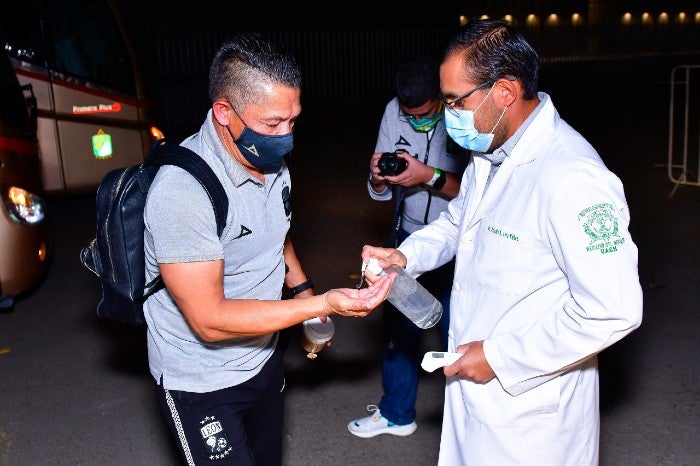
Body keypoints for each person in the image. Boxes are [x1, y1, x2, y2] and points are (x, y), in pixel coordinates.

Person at [360, 19, 643, 465]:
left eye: (455, 101)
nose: (449, 112)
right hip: (476, 389)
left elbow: (614, 308)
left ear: (505, 92)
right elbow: (458, 223)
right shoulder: (490, 153)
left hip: (532, 415)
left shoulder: (572, 176)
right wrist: (405, 255)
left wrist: (500, 357)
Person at [143, 33, 393, 466]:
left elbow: (275, 236)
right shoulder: (182, 192)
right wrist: (324, 303)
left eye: (293, 120)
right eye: (273, 123)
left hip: (262, 358)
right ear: (225, 112)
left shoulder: (270, 162)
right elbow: (210, 321)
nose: (286, 136)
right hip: (200, 381)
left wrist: (301, 292)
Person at [347, 56, 468, 438]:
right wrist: (379, 179)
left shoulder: (464, 116)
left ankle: (466, 425)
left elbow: (480, 194)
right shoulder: (392, 112)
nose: (416, 120)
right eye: (408, 114)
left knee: (459, 333)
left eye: (426, 112)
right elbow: (380, 188)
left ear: (441, 98)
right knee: (398, 330)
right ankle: (398, 414)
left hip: (458, 240)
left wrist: (428, 176)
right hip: (408, 235)